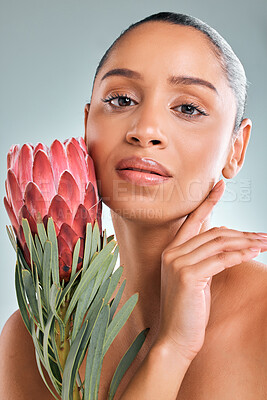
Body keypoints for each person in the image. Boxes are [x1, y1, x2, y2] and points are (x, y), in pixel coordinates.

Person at [1, 11, 267, 400]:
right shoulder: (31, 343)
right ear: (88, 125)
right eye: (121, 99)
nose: (145, 130)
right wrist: (171, 349)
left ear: (236, 148)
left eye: (188, 108)